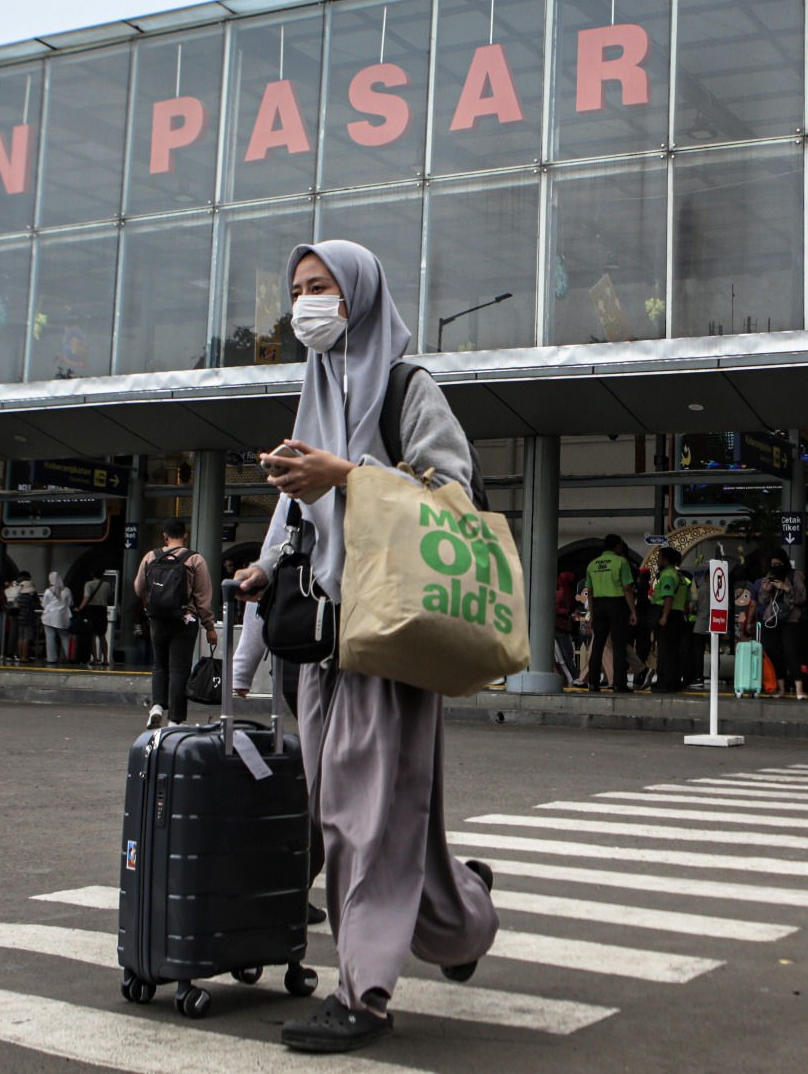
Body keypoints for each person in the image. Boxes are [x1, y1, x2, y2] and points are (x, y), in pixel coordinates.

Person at [234, 240, 498, 1053]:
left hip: (390, 639)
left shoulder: (408, 390)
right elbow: (293, 526)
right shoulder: (314, 396)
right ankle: (463, 917)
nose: (306, 304)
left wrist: (346, 476)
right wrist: (260, 579)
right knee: (355, 815)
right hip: (319, 649)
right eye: (298, 290)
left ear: (361, 296)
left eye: (323, 288)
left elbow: (456, 494)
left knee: (364, 821)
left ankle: (366, 993)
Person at [134, 520, 216, 729]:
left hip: (157, 620)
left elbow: (138, 588)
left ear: (164, 536)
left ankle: (157, 707)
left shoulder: (151, 556)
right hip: (184, 621)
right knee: (180, 669)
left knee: (159, 665)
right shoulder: (195, 559)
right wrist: (210, 626)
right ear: (185, 535)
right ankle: (175, 720)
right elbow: (203, 597)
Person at [583, 534, 638, 694]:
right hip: (617, 604)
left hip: (599, 605)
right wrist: (633, 611)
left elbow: (590, 592)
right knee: (619, 645)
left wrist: (592, 614)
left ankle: (593, 683)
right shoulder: (622, 562)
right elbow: (627, 589)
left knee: (598, 645)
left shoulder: (592, 564)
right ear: (618, 546)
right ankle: (618, 684)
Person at [751, 551, 807, 698]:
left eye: (778, 564)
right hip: (773, 619)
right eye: (772, 564)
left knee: (792, 652)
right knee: (776, 653)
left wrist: (786, 588)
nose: (775, 567)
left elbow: (802, 597)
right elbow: (762, 601)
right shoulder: (769, 577)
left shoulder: (795, 575)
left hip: (791, 619)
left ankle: (799, 689)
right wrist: (766, 589)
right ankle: (781, 689)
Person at [649, 547, 694, 693]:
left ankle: (665, 682)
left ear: (665, 559)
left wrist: (664, 616)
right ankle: (674, 681)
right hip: (679, 615)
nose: (658, 560)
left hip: (668, 615)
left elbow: (669, 597)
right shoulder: (680, 576)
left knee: (665, 651)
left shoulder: (667, 575)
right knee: (674, 651)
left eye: (659, 557)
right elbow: (687, 600)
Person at [77, 570, 114, 665]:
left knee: (92, 636)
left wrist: (79, 608)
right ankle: (105, 659)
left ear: (92, 574)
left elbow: (86, 597)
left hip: (92, 610)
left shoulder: (89, 584)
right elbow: (109, 596)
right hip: (102, 610)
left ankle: (96, 659)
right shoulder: (107, 585)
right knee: (102, 635)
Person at [41, 571, 74, 664]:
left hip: (48, 618)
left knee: (50, 637)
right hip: (61, 618)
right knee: (64, 637)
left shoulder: (48, 591)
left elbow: (44, 604)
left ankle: (51, 658)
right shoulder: (67, 590)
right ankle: (69, 656)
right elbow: (70, 603)